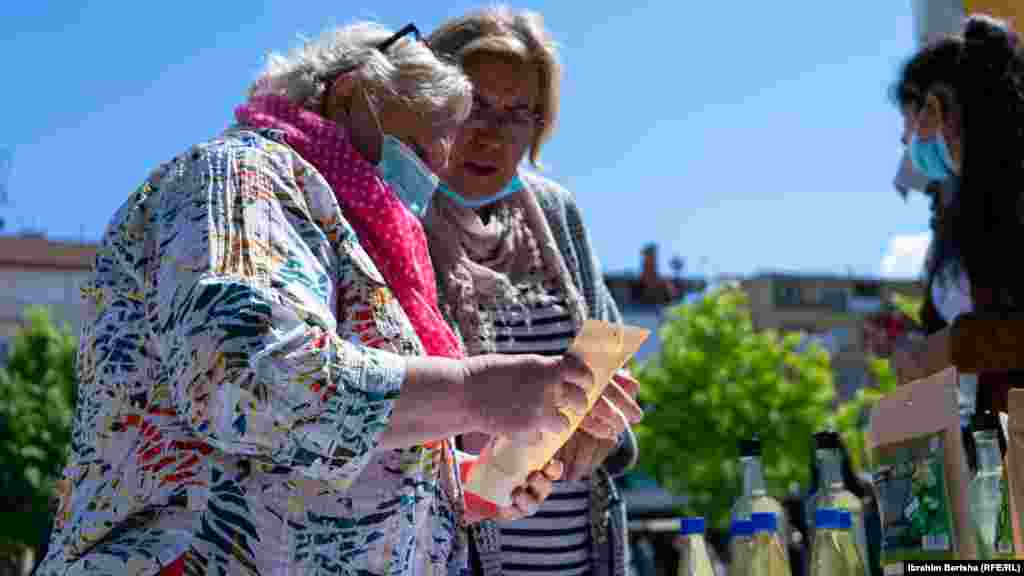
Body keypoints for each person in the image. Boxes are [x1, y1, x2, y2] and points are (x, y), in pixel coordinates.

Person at [34, 21, 642, 576]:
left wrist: (451, 486)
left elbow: (325, 448)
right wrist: (476, 391)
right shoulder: (241, 175)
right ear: (350, 94)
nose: (433, 171)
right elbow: (254, 380)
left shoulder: (346, 224)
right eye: (422, 146)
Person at [426, 7, 638, 576]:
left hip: (581, 554)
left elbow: (607, 356)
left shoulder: (555, 212)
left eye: (516, 113)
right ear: (431, 102)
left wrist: (603, 426)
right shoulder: (398, 215)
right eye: (474, 106)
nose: (491, 134)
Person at [889, 13, 1024, 416]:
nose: (905, 140)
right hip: (992, 433)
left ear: (935, 109)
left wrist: (946, 349)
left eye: (909, 123)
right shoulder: (957, 210)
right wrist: (913, 340)